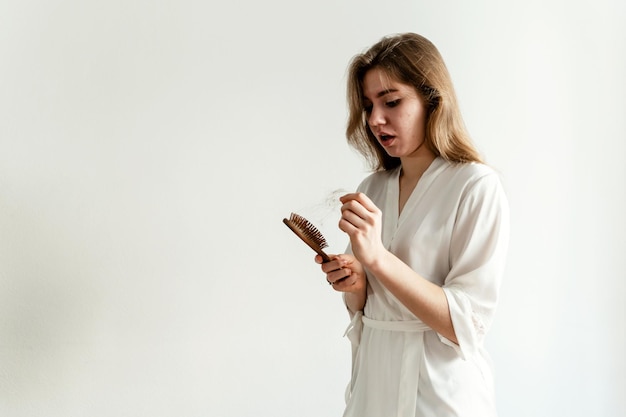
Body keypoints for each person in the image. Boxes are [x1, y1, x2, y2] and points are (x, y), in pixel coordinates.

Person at [315, 33, 510, 417]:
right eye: (369, 106)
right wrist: (355, 282)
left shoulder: (475, 186)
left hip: (440, 393)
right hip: (375, 381)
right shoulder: (372, 188)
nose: (375, 119)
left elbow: (466, 325)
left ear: (432, 100)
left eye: (391, 102)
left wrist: (378, 259)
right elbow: (364, 307)